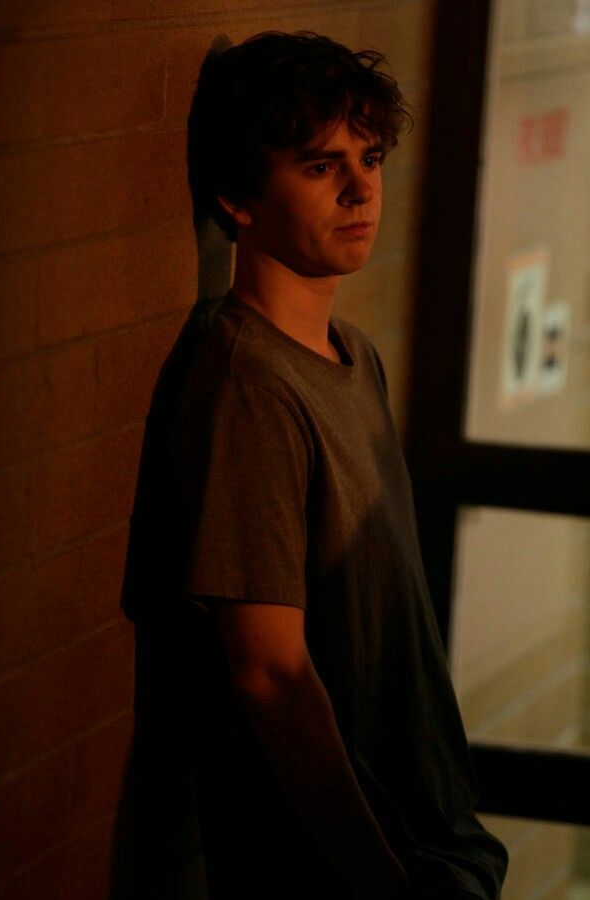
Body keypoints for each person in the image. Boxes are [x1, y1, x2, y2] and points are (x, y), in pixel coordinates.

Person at [120, 30, 509, 900]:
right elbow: (269, 671)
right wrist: (378, 879)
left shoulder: (351, 355)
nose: (363, 187)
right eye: (319, 165)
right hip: (341, 869)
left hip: (430, 836)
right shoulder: (246, 387)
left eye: (369, 157)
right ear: (236, 198)